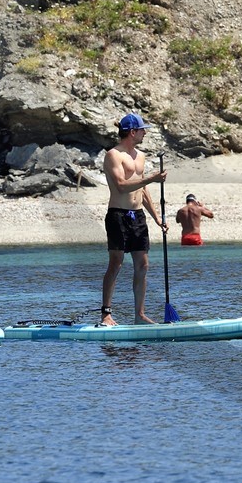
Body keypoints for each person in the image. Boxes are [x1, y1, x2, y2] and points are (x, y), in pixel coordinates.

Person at [100, 113, 168, 325]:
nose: (145, 133)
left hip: (137, 216)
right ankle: (106, 314)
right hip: (118, 215)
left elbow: (142, 189)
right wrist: (152, 178)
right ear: (132, 132)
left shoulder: (140, 156)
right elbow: (121, 184)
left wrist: (157, 218)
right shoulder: (113, 155)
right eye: (142, 130)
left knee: (143, 264)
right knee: (116, 263)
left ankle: (139, 315)